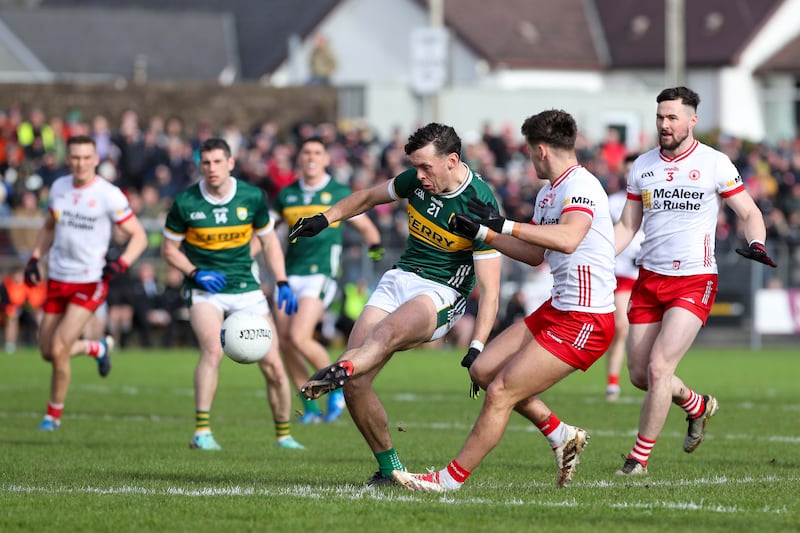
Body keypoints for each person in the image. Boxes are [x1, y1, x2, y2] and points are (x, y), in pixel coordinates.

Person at [389, 109, 617, 492]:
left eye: (529, 151)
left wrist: (502, 224)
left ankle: (448, 480)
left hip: (586, 318)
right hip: (559, 308)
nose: (529, 159)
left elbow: (568, 239)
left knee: (500, 392)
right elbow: (534, 255)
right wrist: (483, 232)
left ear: (541, 150)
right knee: (483, 369)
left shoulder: (581, 186)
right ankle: (561, 435)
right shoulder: (550, 191)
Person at [288, 123, 502, 487]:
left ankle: (341, 368)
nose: (418, 176)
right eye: (414, 168)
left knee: (379, 339)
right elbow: (368, 197)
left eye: (425, 168)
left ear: (452, 160)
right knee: (357, 385)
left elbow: (491, 289)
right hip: (399, 278)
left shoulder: (479, 203)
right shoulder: (417, 181)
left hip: (441, 293)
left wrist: (477, 344)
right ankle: (390, 469)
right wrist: (326, 219)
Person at [612, 87, 775, 476]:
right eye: (660, 117)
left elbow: (749, 211)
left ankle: (638, 461)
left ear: (691, 120)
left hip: (694, 278)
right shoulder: (642, 166)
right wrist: (599, 257)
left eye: (672, 118)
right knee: (640, 374)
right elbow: (626, 226)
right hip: (649, 278)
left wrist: (757, 241)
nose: (664, 125)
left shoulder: (715, 163)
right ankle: (696, 405)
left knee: (658, 369)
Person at [161, 137, 304, 451]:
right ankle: (202, 432)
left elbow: (268, 242)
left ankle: (284, 435)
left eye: (217, 162)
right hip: (205, 289)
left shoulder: (252, 197)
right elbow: (168, 249)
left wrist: (281, 281)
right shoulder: (186, 201)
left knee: (275, 366)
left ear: (230, 163)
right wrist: (195, 272)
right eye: (205, 163)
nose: (211, 169)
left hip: (246, 287)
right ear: (200, 165)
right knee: (213, 350)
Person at [24, 134, 148, 431]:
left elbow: (139, 236)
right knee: (45, 351)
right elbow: (49, 226)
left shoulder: (109, 194)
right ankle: (98, 348)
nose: (80, 163)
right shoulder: (59, 187)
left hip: (89, 281)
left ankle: (52, 416)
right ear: (69, 159)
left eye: (86, 157)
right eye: (75, 157)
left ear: (96, 159)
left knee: (58, 348)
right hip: (57, 278)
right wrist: (35, 256)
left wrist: (122, 263)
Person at [272, 137, 383, 424]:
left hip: (320, 274)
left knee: (299, 336)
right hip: (289, 274)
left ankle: (336, 386)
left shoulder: (337, 191)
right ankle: (309, 405)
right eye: (306, 151)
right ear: (300, 158)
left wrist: (375, 251)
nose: (311, 156)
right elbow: (267, 231)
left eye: (317, 152)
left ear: (325, 159)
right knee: (285, 343)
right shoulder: (287, 195)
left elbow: (366, 226)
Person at [605, 153, 644, 402]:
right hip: (621, 272)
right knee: (621, 326)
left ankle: (649, 377)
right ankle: (613, 382)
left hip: (646, 270)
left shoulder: (653, 199)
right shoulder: (613, 202)